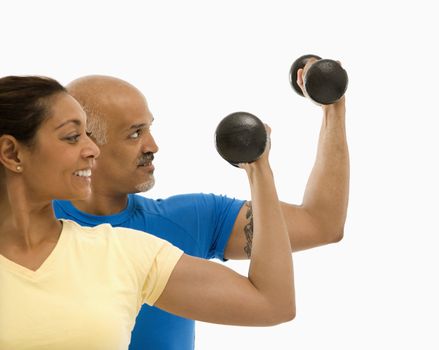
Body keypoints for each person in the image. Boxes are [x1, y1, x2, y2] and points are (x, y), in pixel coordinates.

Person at [54, 61, 349, 349]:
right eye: (135, 134)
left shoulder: (189, 218)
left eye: (149, 129)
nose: (153, 146)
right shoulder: (31, 225)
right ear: (83, 144)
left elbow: (322, 224)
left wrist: (332, 107)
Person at [0, 75, 295, 350]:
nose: (93, 149)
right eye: (72, 137)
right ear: (12, 153)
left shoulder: (123, 253)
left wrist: (260, 171)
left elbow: (271, 303)